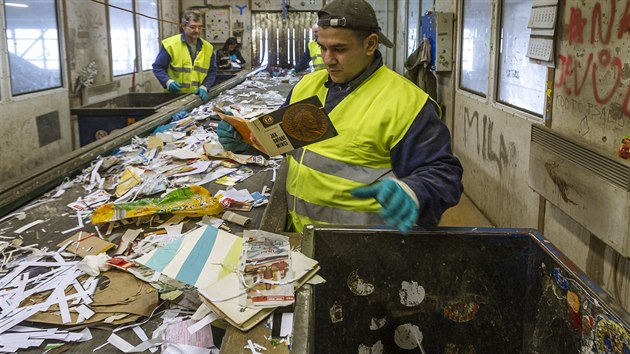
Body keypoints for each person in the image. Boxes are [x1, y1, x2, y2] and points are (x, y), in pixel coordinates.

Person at [218, 0, 463, 233]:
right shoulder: (306, 87)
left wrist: (413, 191)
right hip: (300, 234)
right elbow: (284, 143)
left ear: (370, 44)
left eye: (339, 49)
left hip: (361, 244)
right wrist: (247, 140)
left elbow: (444, 174)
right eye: (322, 47)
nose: (327, 59)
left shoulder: (407, 103)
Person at [152, 9, 217, 101]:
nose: (197, 30)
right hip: (174, 98)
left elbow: (212, 71)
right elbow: (158, 67)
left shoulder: (208, 47)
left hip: (197, 97)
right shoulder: (170, 45)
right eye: (193, 27)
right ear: (183, 26)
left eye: (200, 27)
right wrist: (168, 82)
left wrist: (205, 86)